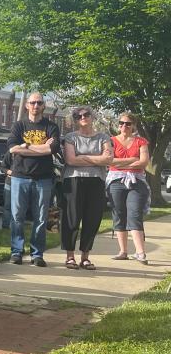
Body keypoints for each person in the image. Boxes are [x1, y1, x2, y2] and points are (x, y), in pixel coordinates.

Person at [7, 92, 61, 266]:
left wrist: (26, 146)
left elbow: (51, 149)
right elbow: (13, 149)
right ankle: (16, 252)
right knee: (17, 217)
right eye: (32, 102)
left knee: (41, 218)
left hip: (43, 179)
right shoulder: (19, 126)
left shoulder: (51, 126)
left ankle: (37, 254)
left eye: (39, 102)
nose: (35, 106)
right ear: (26, 105)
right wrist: (41, 146)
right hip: (19, 177)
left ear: (43, 105)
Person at [61, 107, 112, 270]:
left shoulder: (103, 137)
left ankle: (85, 257)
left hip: (96, 181)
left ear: (92, 117)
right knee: (72, 218)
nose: (83, 117)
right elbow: (70, 160)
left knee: (92, 219)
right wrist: (97, 159)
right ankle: (70, 256)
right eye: (78, 116)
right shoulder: (71, 137)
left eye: (86, 114)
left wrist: (82, 157)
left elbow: (108, 159)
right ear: (75, 120)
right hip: (74, 180)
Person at [107, 112, 150, 264]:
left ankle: (140, 252)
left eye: (128, 123)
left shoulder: (141, 141)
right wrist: (133, 159)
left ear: (134, 126)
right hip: (115, 182)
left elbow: (144, 162)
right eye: (121, 123)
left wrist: (120, 163)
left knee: (134, 214)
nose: (124, 126)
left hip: (136, 181)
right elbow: (109, 161)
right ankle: (123, 251)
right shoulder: (110, 141)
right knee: (118, 214)